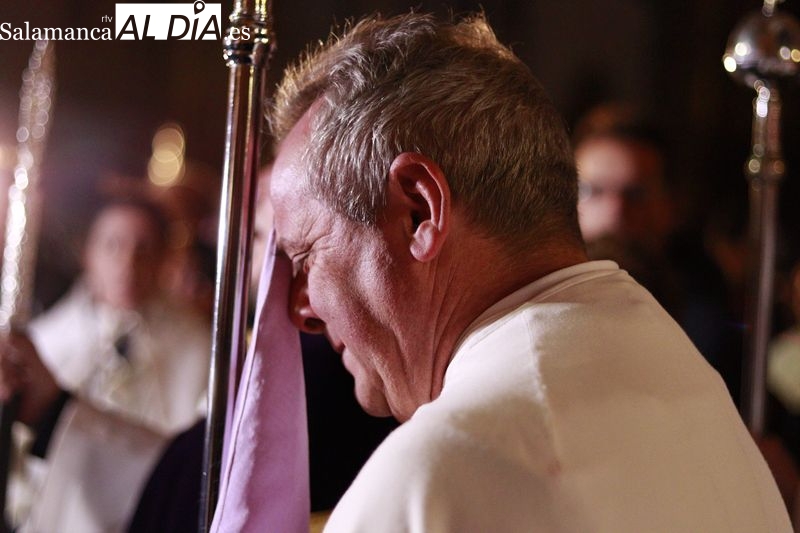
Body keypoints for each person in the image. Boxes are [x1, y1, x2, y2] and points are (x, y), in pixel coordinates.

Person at [256, 11, 791, 531]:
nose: (299, 308)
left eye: (306, 256)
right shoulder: (697, 393)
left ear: (419, 213)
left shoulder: (437, 481)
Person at [0, 195, 211, 532]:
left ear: (163, 259)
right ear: (89, 253)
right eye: (113, 245)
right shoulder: (47, 341)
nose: (128, 261)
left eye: (143, 248)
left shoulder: (198, 346)